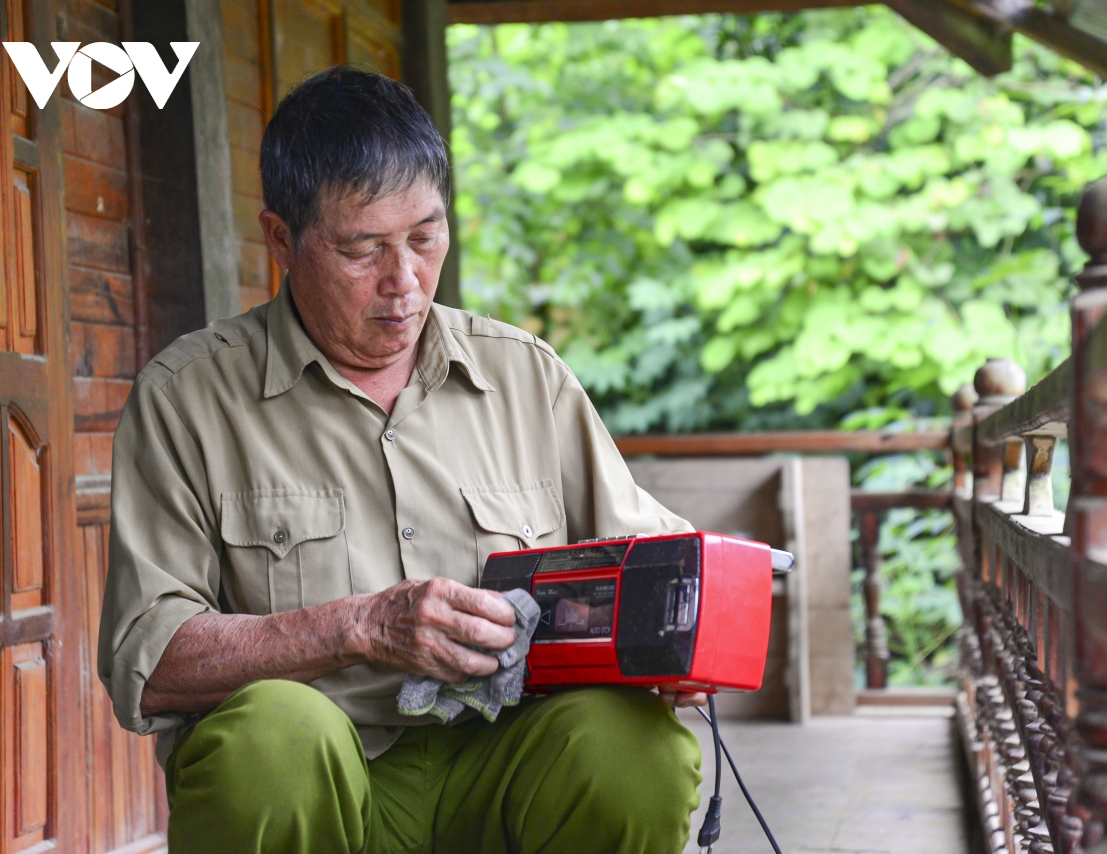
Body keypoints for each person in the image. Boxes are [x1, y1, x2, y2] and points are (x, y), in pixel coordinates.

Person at [98, 66, 703, 854]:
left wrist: (684, 636)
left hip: (505, 760)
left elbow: (654, 561)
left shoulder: (526, 376)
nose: (405, 282)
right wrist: (357, 627)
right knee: (271, 737)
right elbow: (148, 658)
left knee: (635, 749)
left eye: (425, 237)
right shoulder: (188, 397)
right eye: (362, 250)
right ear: (281, 238)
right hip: (322, 780)